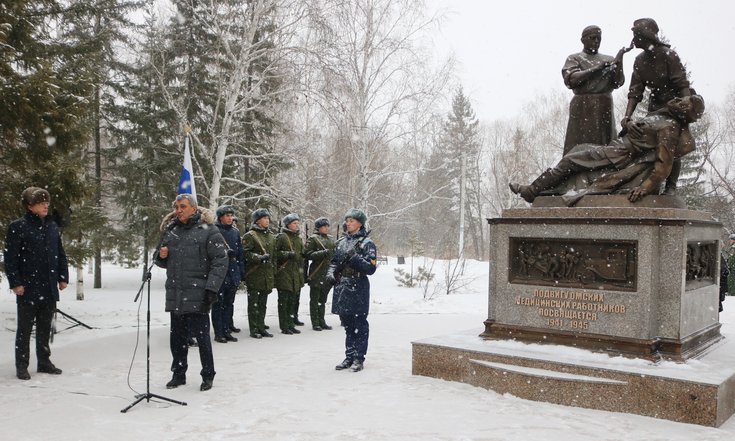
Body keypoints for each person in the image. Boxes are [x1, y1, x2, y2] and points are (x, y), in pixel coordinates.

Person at [510, 94, 705, 206]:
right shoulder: (664, 116)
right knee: (577, 152)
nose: (678, 99)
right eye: (682, 99)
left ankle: (532, 190)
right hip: (615, 146)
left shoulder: (669, 129)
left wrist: (644, 188)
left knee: (570, 161)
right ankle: (541, 190)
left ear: (685, 113)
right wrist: (628, 123)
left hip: (619, 155)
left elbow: (664, 165)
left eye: (683, 103)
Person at [154, 194, 228, 392]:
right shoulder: (172, 231)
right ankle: (178, 374)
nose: (178, 210)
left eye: (183, 206)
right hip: (176, 293)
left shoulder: (209, 231)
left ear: (194, 209)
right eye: (177, 206)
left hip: (198, 294)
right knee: (177, 338)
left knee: (202, 337)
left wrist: (211, 288)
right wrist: (161, 256)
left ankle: (208, 374)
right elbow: (160, 259)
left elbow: (221, 261)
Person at [621, 18, 692, 195]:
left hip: (674, 104)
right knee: (652, 144)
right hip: (655, 106)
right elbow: (635, 92)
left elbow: (682, 84)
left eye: (635, 34)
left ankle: (671, 186)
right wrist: (627, 116)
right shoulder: (639, 60)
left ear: (644, 35)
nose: (633, 38)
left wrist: (686, 105)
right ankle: (654, 184)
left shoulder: (668, 55)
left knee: (672, 144)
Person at [4, 187, 69, 380]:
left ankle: (44, 362)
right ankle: (21, 365)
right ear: (29, 206)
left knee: (45, 327)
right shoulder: (18, 227)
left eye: (47, 202)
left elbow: (60, 253)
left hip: (48, 285)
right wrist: (16, 282)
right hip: (28, 287)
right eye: (41, 203)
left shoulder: (51, 226)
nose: (46, 205)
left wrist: (63, 276)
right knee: (24, 329)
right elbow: (10, 258)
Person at [561, 25, 626, 154]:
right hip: (582, 105)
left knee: (605, 143)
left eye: (599, 38)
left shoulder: (608, 59)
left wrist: (619, 60)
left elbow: (618, 82)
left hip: (604, 104)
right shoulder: (574, 58)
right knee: (579, 144)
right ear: (583, 40)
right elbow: (571, 80)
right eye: (593, 38)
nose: (596, 41)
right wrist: (596, 69)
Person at [326, 209, 377, 372]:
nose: (348, 223)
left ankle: (358, 358)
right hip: (343, 286)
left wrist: (355, 258)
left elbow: (371, 268)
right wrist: (330, 273)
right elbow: (334, 261)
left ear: (360, 223)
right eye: (347, 220)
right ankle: (349, 356)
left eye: (352, 221)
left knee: (360, 324)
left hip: (358, 286)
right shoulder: (340, 242)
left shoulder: (367, 243)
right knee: (347, 324)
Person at [212, 205, 245, 343]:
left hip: (233, 272)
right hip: (220, 273)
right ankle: (219, 332)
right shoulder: (214, 231)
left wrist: (241, 271)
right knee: (218, 305)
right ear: (220, 217)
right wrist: (225, 254)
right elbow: (211, 253)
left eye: (231, 215)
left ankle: (227, 330)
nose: (230, 218)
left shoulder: (235, 232)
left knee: (229, 304)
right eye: (227, 216)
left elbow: (240, 253)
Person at [242, 208, 276, 339]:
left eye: (268, 218)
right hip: (255, 274)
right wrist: (258, 257)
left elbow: (274, 258)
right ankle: (254, 328)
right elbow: (245, 253)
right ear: (257, 220)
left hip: (266, 275)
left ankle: (261, 327)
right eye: (264, 218)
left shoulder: (271, 236)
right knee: (254, 304)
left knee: (263, 303)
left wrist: (273, 273)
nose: (267, 220)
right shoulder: (250, 236)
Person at [275, 213, 305, 335]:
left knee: (292, 301)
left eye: (298, 223)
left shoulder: (298, 238)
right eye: (294, 223)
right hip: (284, 273)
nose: (297, 225)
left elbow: (301, 255)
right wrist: (286, 254)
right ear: (288, 224)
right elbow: (275, 254)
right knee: (284, 301)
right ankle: (284, 326)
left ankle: (291, 323)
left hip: (295, 273)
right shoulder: (282, 237)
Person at [304, 217, 336, 331]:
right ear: (319, 228)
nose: (327, 228)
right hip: (316, 273)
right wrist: (322, 253)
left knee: (322, 300)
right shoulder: (313, 239)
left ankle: (322, 321)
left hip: (327, 273)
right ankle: (315, 322)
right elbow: (307, 254)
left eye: (327, 226)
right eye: (324, 226)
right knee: (314, 299)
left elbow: (334, 256)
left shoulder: (331, 240)